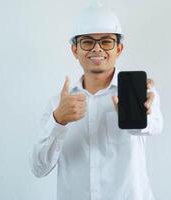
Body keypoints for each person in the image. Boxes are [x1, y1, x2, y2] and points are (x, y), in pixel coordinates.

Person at [30, 4, 163, 200]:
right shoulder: (57, 105)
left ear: (119, 48)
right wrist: (58, 121)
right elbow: (39, 168)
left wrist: (141, 113)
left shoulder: (141, 93)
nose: (97, 48)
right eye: (87, 42)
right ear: (75, 50)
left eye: (106, 41)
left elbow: (155, 126)